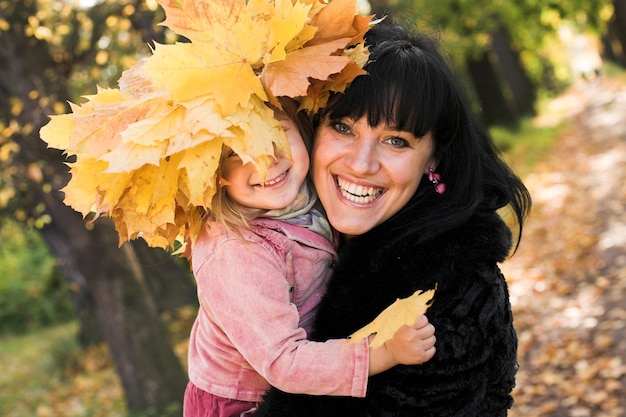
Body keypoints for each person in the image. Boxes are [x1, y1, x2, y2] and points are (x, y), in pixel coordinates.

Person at [255, 20, 532, 417]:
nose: (362, 164)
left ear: (433, 158)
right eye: (342, 126)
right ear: (311, 130)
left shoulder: (456, 291)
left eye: (396, 140)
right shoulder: (281, 246)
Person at [183, 96, 437, 417]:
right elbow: (284, 363)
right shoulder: (236, 253)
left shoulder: (304, 192)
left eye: (275, 133)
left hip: (307, 373)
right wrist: (383, 352)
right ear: (208, 174)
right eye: (236, 153)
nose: (266, 160)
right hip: (245, 402)